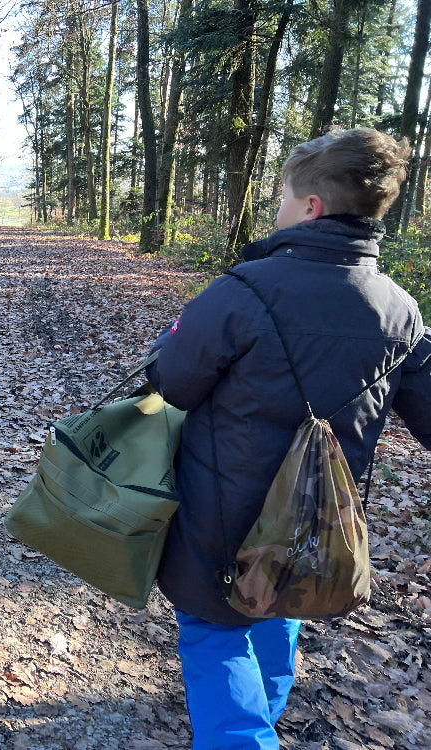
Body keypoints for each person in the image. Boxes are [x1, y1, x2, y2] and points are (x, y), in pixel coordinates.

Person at [145, 128, 431, 749]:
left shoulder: (243, 290)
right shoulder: (402, 312)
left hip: (221, 514)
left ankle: (245, 739)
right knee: (281, 611)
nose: (277, 207)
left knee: (214, 632)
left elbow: (173, 384)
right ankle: (262, 719)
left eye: (282, 195)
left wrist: (168, 344)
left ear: (311, 207)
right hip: (319, 517)